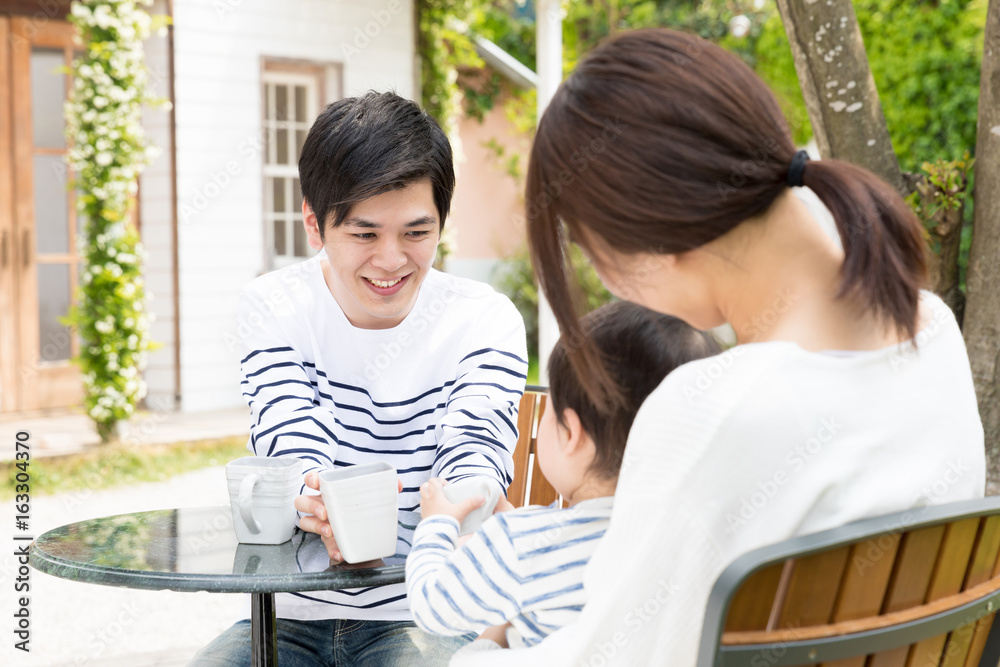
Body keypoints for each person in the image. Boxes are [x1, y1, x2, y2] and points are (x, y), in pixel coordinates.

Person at [450, 28, 985, 666]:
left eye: (594, 254)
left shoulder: (714, 410)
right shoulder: (933, 333)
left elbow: (614, 656)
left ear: (649, 240)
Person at [191, 91, 528, 666]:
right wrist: (317, 499)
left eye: (417, 234)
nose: (392, 259)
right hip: (290, 614)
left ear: (441, 222)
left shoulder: (482, 319)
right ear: (314, 224)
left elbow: (476, 452)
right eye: (365, 234)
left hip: (427, 614)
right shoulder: (275, 306)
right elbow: (289, 439)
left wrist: (465, 498)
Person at [405, 301, 720, 649]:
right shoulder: (695, 539)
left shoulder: (518, 544)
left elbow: (432, 607)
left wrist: (436, 526)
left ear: (571, 433)